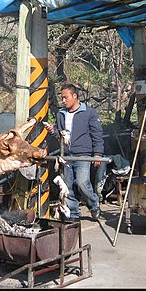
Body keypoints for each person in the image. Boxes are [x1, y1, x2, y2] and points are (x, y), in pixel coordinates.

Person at [44, 83, 104, 221]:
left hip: (83, 154)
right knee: (68, 186)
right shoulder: (61, 114)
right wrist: (53, 131)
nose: (63, 101)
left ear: (75, 96)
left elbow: (97, 134)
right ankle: (73, 214)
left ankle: (94, 205)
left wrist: (98, 153)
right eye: (62, 98)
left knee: (83, 183)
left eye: (66, 97)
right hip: (66, 155)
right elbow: (60, 135)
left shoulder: (89, 113)